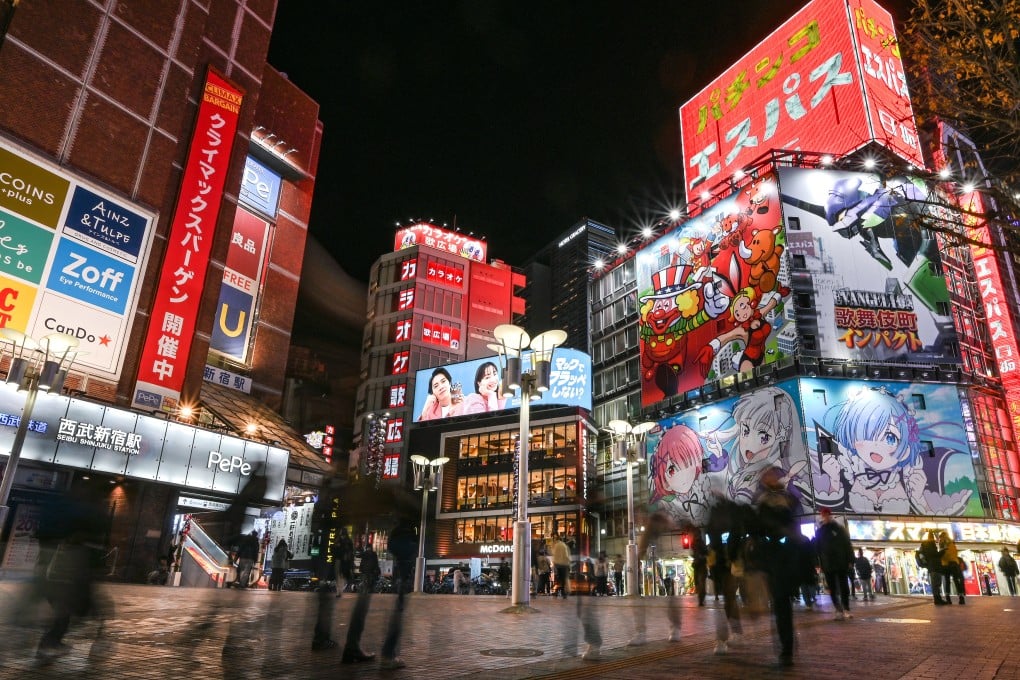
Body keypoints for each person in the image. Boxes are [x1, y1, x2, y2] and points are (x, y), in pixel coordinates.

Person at [755, 466, 800, 667]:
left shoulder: (786, 498)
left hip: (784, 558)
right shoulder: (762, 501)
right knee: (779, 605)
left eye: (771, 475)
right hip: (772, 559)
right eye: (766, 476)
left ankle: (786, 648)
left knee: (782, 604)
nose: (769, 478)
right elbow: (757, 529)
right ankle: (785, 647)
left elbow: (792, 524)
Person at [629, 512, 682, 646]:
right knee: (641, 601)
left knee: (670, 599)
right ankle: (643, 632)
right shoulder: (649, 531)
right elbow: (641, 550)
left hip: (661, 569)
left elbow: (641, 550)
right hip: (653, 570)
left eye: (639, 518)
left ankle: (672, 629)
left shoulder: (656, 525)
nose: (639, 521)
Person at [380, 516, 417, 670]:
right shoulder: (408, 531)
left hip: (401, 571)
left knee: (398, 611)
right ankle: (389, 655)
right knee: (398, 612)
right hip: (403, 571)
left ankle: (389, 654)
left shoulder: (398, 531)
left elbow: (391, 545)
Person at [340, 544, 379, 661]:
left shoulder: (363, 554)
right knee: (362, 603)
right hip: (369, 576)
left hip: (363, 575)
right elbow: (374, 565)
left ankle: (351, 647)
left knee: (362, 603)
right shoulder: (372, 554)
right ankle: (352, 647)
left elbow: (360, 561)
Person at [816, 508, 854, 619]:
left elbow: (847, 545)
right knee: (832, 588)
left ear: (830, 515)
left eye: (827, 515)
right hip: (828, 564)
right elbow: (817, 549)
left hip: (841, 562)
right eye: (823, 515)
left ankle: (846, 608)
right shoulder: (820, 532)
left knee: (843, 587)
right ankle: (838, 609)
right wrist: (818, 564)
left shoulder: (840, 529)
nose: (825, 517)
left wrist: (850, 560)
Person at [917, 530, 946, 605]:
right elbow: (934, 555)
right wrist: (943, 551)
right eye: (932, 536)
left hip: (932, 567)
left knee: (936, 584)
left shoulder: (926, 545)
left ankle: (938, 599)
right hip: (934, 567)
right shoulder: (930, 545)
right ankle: (937, 599)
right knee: (936, 584)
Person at [939, 530, 965, 605]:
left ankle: (948, 598)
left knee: (947, 581)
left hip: (946, 564)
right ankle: (961, 598)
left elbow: (943, 554)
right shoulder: (952, 543)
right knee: (956, 580)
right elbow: (955, 553)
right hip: (954, 563)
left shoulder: (943, 543)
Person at [332, 527, 355, 598]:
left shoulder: (343, 541)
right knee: (339, 576)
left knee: (341, 576)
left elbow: (350, 552)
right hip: (340, 560)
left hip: (343, 561)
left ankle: (339, 591)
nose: (342, 535)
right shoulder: (341, 541)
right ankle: (339, 591)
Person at [551, 534, 571, 598]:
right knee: (564, 579)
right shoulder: (563, 545)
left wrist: (554, 563)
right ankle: (563, 592)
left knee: (558, 578)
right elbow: (566, 555)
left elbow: (553, 554)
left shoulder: (555, 546)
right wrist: (569, 562)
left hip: (557, 564)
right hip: (564, 564)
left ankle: (557, 591)